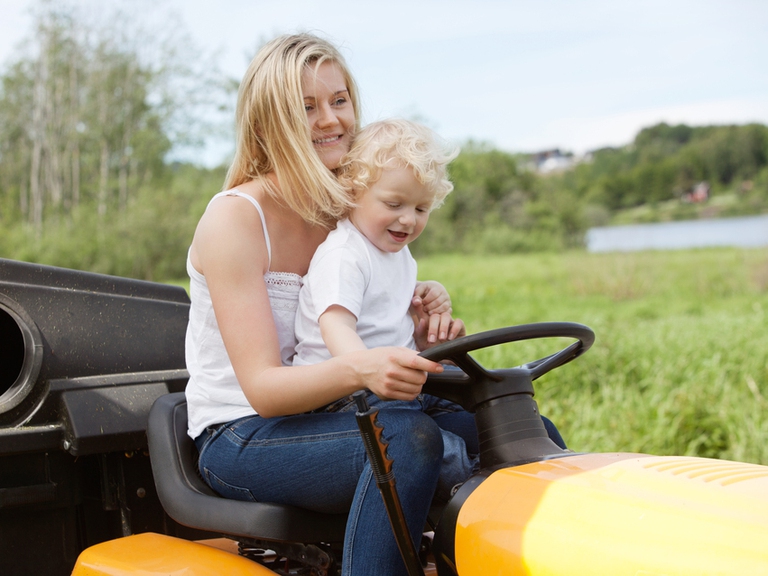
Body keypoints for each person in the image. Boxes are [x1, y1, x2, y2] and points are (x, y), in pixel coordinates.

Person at [185, 33, 466, 576]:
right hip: (243, 433)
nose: (332, 119)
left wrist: (419, 323)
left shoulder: (347, 207)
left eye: (339, 100)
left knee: (505, 424)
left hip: (331, 413)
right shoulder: (236, 220)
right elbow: (265, 391)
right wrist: (363, 366)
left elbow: (368, 302)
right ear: (271, 123)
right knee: (406, 441)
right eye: (307, 107)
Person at [293, 118, 478, 500]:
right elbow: (336, 326)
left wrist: (430, 295)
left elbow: (393, 309)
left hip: (396, 385)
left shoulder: (397, 253)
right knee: (437, 447)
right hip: (344, 396)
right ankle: (472, 489)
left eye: (422, 208)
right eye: (394, 204)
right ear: (353, 192)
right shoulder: (345, 254)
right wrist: (366, 370)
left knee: (490, 408)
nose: (409, 219)